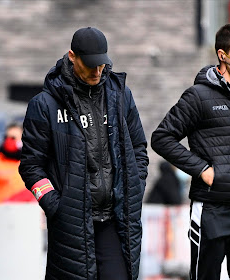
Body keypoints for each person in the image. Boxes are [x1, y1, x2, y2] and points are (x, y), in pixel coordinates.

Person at [151, 22, 230, 280]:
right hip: (212, 208)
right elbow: (162, 138)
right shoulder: (198, 96)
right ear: (222, 55)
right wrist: (202, 170)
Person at [19, 27, 148, 280]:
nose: (97, 72)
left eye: (101, 65)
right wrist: (56, 206)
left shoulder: (120, 96)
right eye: (90, 66)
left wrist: (135, 186)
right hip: (71, 225)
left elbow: (139, 149)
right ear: (72, 56)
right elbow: (31, 166)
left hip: (115, 218)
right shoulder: (44, 104)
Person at [0, 122, 35, 204]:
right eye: (7, 137)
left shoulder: (30, 163)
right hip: (2, 211)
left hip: (26, 211)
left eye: (14, 138)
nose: (10, 140)